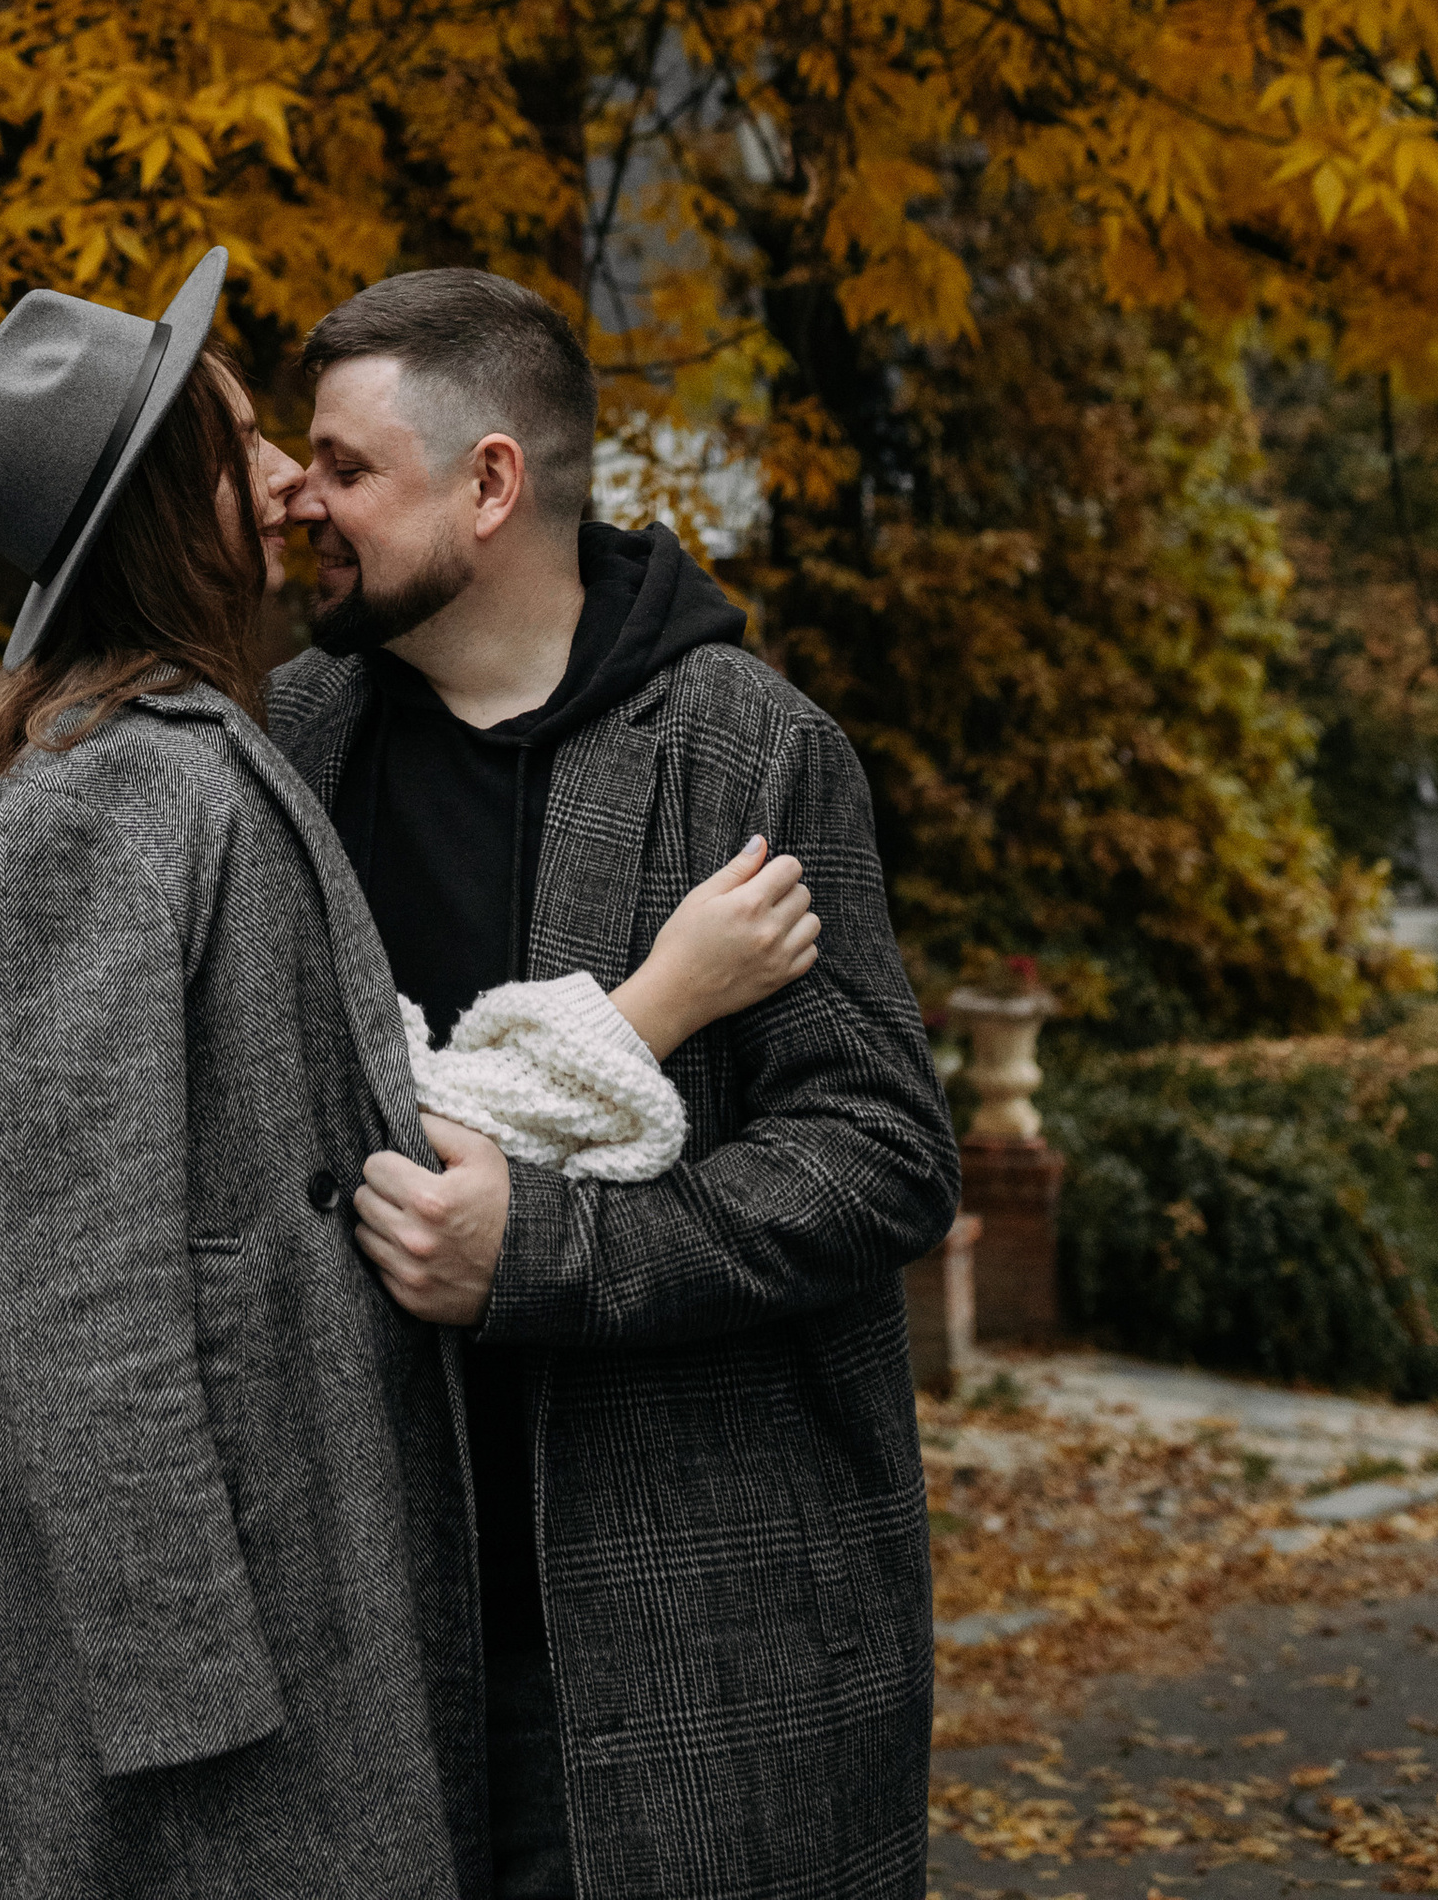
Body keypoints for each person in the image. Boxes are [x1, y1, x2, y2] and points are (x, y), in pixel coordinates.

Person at [0, 248, 824, 1900]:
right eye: (245, 444)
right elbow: (80, 1277)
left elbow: (389, 1125)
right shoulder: (122, 793)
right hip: (200, 1676)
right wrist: (192, 1702)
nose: (287, 484)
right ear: (176, 501)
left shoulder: (174, 755)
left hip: (265, 1617)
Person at [274, 267, 963, 1900]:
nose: (299, 500)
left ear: (492, 483)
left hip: (695, 1644)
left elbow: (882, 1152)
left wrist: (548, 1256)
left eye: (345, 469)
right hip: (381, 1638)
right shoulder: (297, 734)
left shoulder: (741, 748)